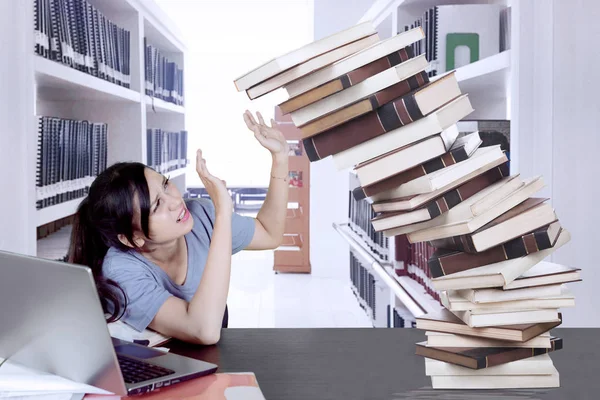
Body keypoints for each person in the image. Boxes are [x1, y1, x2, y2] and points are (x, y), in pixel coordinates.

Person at [68, 111, 289, 345]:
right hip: (158, 368)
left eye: (165, 184)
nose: (176, 201)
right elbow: (203, 330)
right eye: (157, 206)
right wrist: (223, 214)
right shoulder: (120, 270)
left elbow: (269, 233)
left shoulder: (200, 214)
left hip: (207, 359)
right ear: (133, 239)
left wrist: (281, 158)